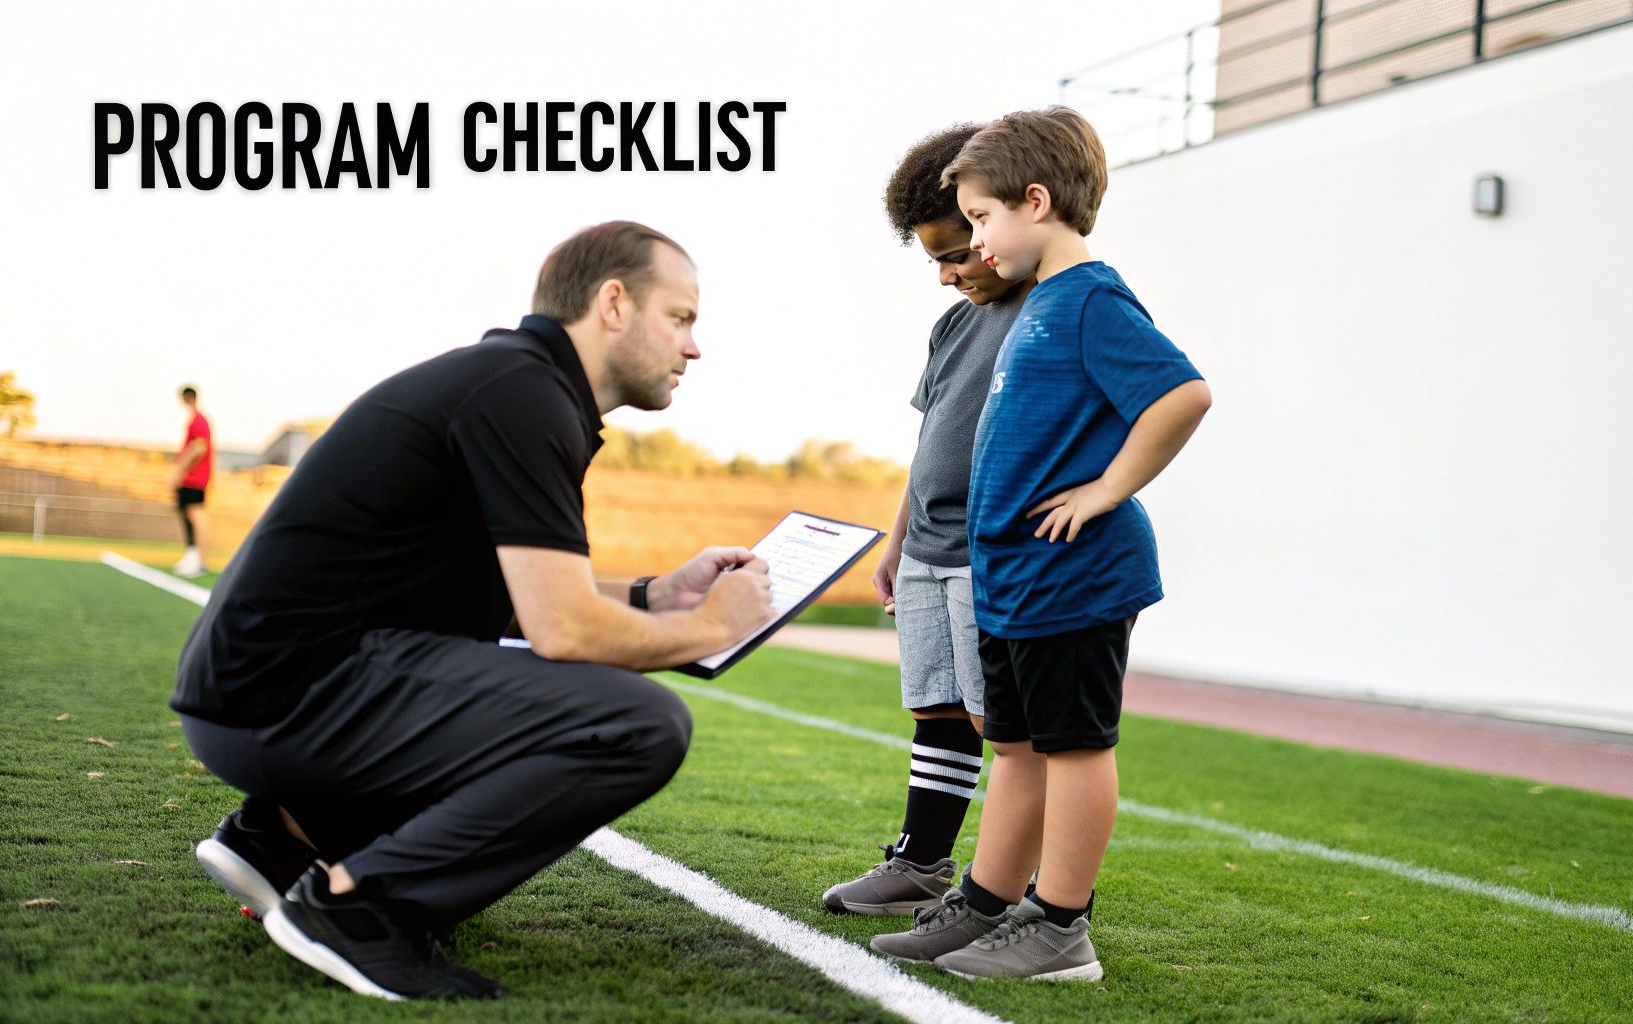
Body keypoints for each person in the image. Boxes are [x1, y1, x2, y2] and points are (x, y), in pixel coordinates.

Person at [171, 222, 775, 1001]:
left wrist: (656, 597)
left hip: (269, 695)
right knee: (636, 724)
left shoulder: (516, 382)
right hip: (287, 700)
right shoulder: (522, 394)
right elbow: (563, 630)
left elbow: (521, 599)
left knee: (522, 676)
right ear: (614, 303)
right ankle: (356, 909)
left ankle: (289, 840)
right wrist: (713, 627)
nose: (694, 348)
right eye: (682, 318)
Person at [871, 107, 1212, 981]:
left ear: (1036, 201)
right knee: (1018, 749)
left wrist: (1107, 490)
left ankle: (1062, 929)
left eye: (980, 221)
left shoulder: (1090, 298)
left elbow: (1182, 395)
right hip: (1012, 575)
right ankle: (984, 907)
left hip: (1074, 577)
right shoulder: (1035, 306)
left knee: (1074, 748)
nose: (975, 245)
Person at [821, 124, 1034, 916]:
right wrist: (897, 538)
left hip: (991, 556)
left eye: (955, 253)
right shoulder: (952, 324)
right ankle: (921, 861)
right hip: (927, 550)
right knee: (938, 707)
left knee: (1000, 720)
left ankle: (1007, 890)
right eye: (934, 260)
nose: (946, 275)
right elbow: (930, 437)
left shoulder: (1044, 311)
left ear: (993, 223)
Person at [169, 385, 212, 578]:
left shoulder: (197, 420)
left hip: (194, 479)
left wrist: (179, 470)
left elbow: (199, 446)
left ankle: (199, 559)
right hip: (194, 478)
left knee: (196, 515)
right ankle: (193, 555)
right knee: (189, 515)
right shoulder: (197, 419)